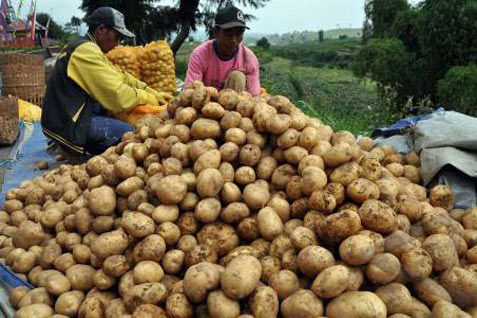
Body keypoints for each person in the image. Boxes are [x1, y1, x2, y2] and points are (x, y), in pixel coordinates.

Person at [41, 6, 172, 156]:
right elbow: (117, 95)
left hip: (75, 114)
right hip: (69, 123)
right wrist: (150, 98)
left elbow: (121, 76)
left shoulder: (91, 47)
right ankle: (70, 147)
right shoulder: (85, 51)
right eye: (117, 36)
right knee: (134, 135)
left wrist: (152, 91)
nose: (117, 43)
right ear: (101, 30)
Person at [185, 6, 260, 96]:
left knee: (237, 76)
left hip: (235, 107)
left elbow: (254, 96)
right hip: (205, 104)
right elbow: (189, 92)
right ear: (216, 32)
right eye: (228, 34)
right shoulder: (200, 54)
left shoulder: (249, 59)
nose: (233, 40)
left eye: (238, 34)